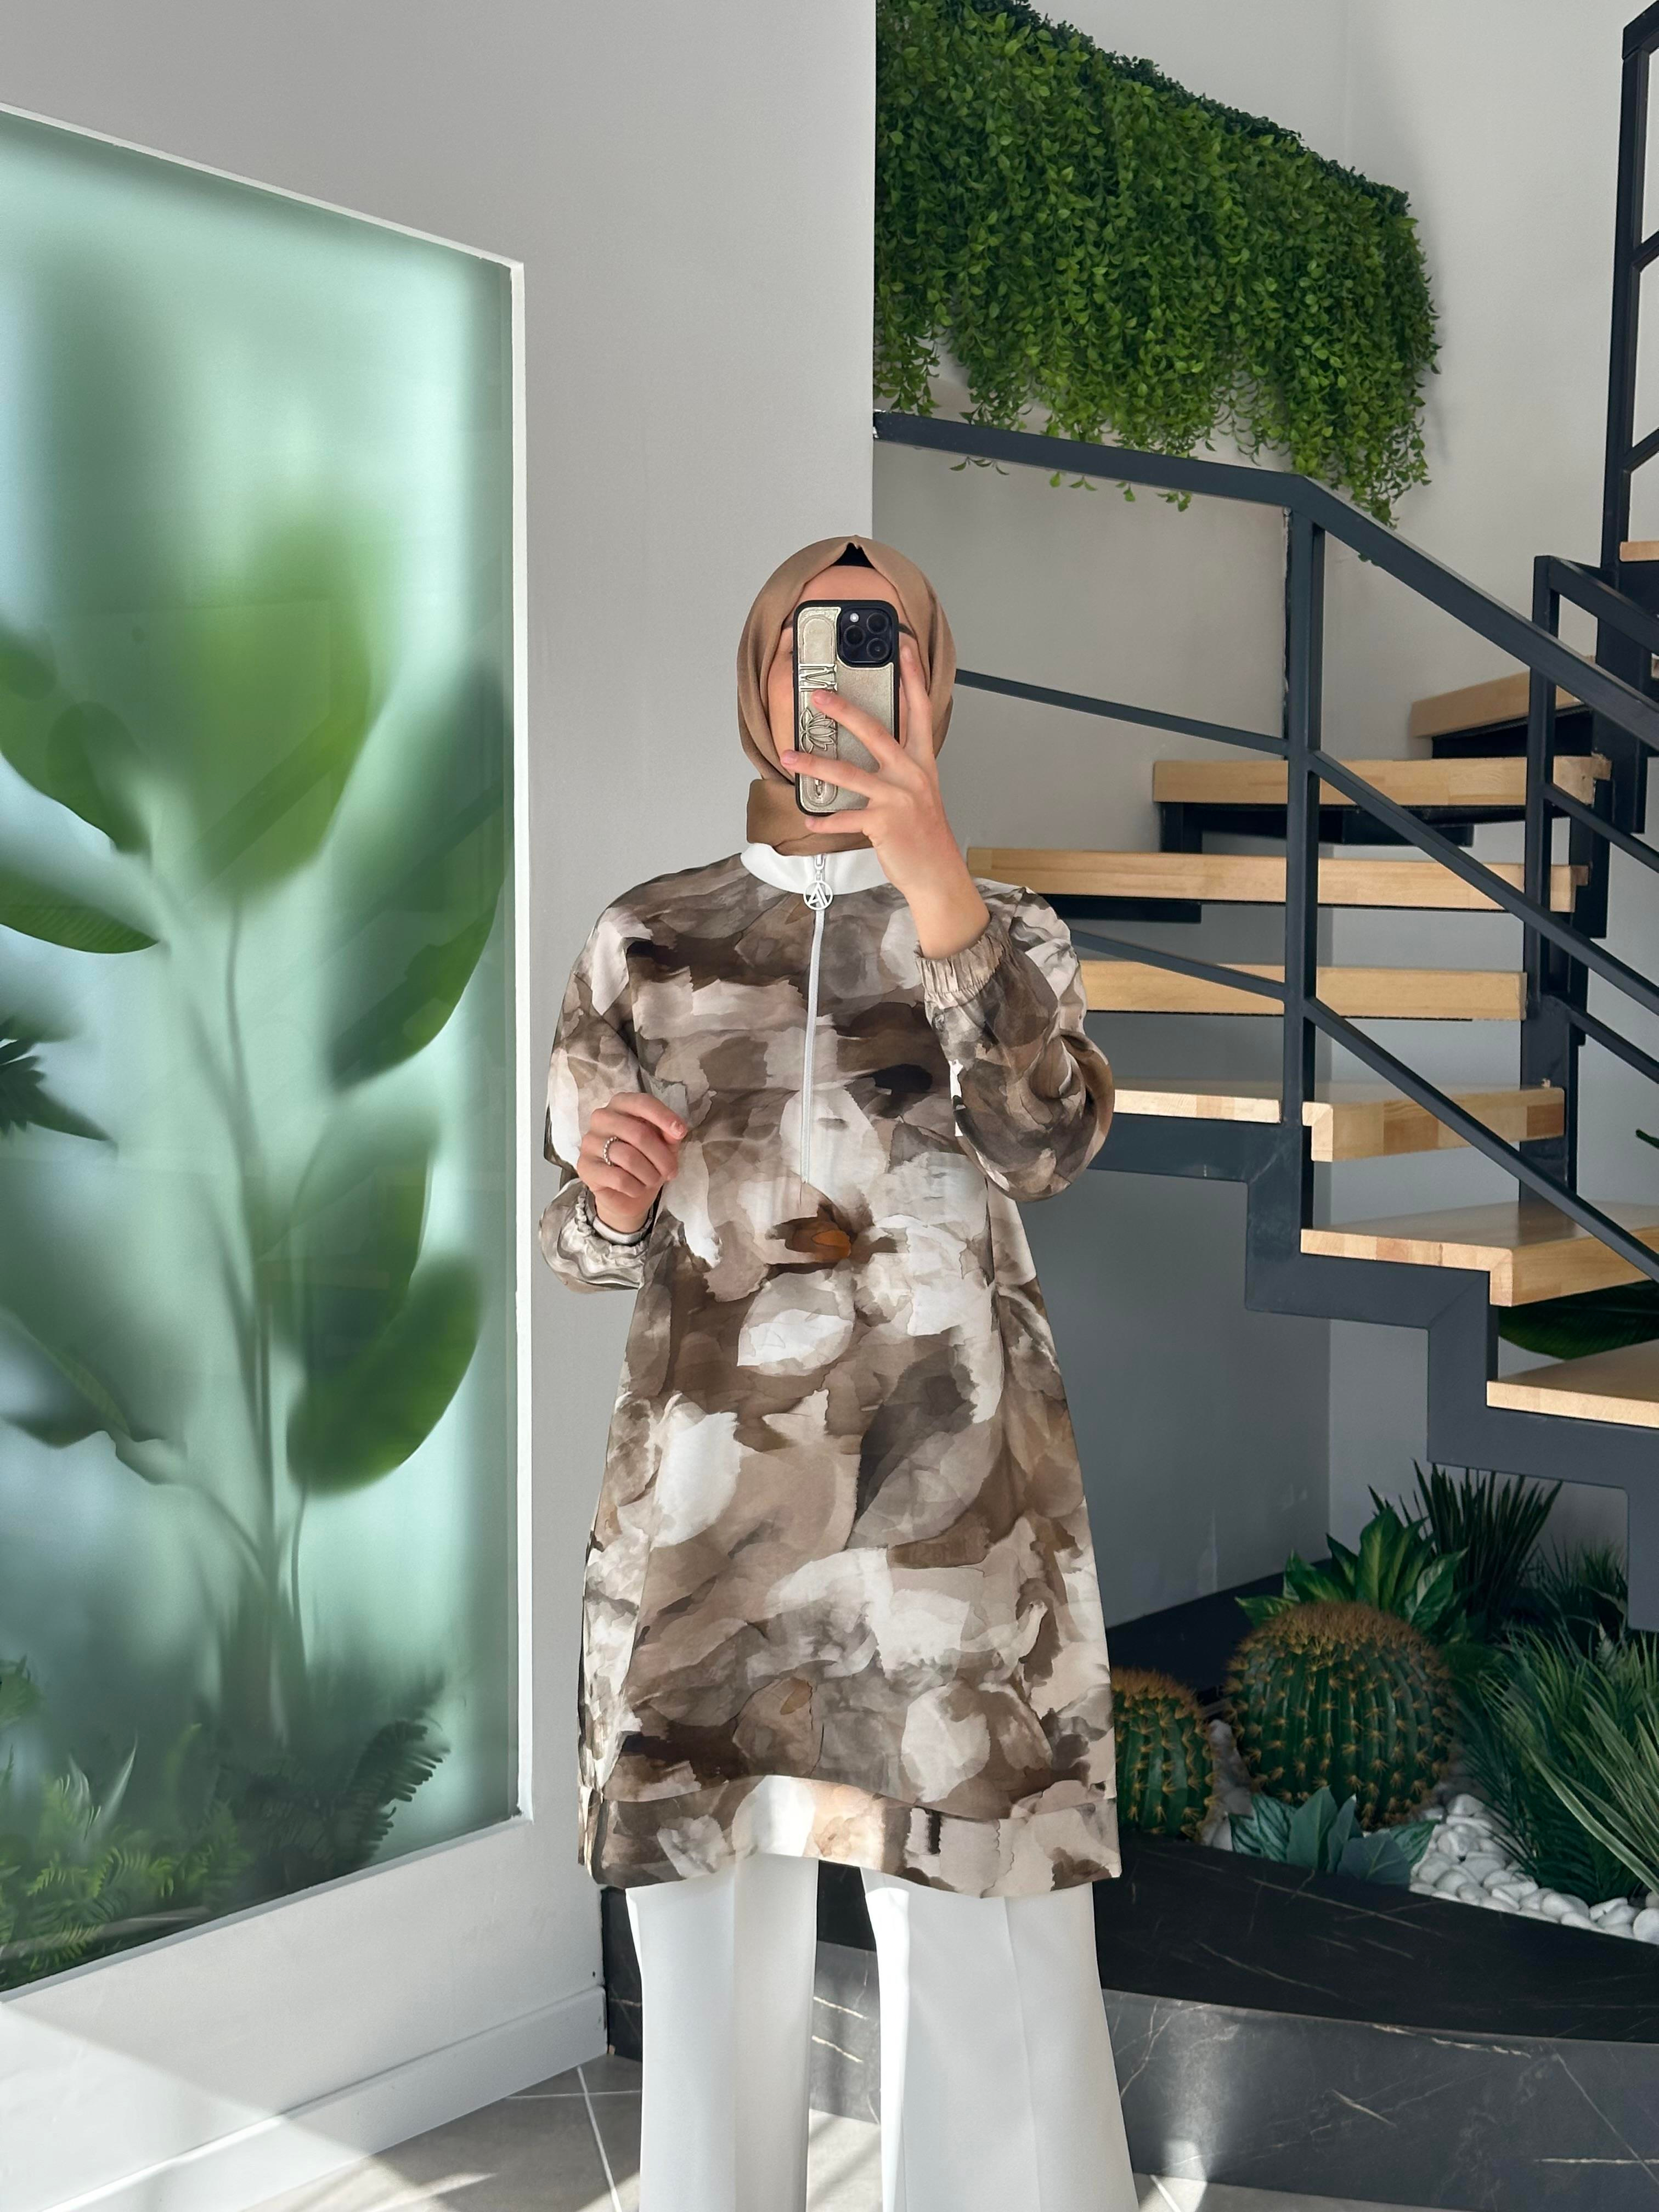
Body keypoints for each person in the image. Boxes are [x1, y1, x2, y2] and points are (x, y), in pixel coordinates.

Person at [538, 532, 1137, 2212]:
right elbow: (580, 1243)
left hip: (948, 1533)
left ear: (931, 684)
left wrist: (938, 888)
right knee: (708, 1930)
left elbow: (1047, 1144)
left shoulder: (1009, 936)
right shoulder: (645, 941)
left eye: (883, 644)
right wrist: (607, 1202)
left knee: (988, 1939)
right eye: (811, 643)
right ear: (759, 677)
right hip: (708, 1520)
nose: (845, 679)